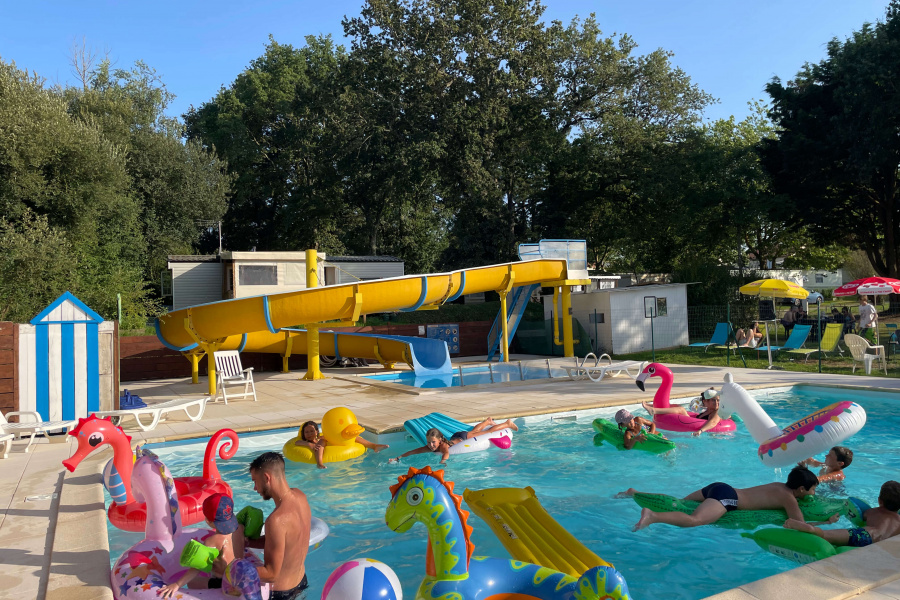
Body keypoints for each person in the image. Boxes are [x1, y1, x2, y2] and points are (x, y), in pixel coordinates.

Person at [215, 452, 311, 600]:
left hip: (282, 594)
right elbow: (287, 540)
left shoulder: (276, 520)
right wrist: (249, 542)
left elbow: (272, 574)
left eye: (255, 481)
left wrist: (230, 571)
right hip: (302, 582)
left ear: (267, 478)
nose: (255, 488)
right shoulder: (301, 496)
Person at [626, 465, 837, 531]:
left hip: (719, 486)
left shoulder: (778, 485)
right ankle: (652, 516)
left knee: (680, 503)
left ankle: (634, 493)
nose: (813, 495)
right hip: (728, 498)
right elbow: (797, 524)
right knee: (694, 521)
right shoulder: (789, 498)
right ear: (800, 489)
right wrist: (825, 522)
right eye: (812, 490)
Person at [160, 493, 245, 598]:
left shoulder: (212, 542)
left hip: (223, 584)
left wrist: (177, 584)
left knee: (192, 582)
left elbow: (197, 568)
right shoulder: (239, 529)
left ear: (207, 521)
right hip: (240, 579)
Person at [785, 481, 900, 548]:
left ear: (880, 500)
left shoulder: (872, 512)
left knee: (825, 535)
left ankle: (811, 529)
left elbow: (859, 518)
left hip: (866, 535)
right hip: (886, 541)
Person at [388, 417, 519, 464]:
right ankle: (487, 421)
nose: (431, 445)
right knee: (474, 431)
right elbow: (413, 451)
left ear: (439, 440)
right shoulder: (430, 447)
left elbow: (446, 453)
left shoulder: (443, 446)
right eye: (429, 442)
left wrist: (442, 462)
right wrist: (397, 458)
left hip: (462, 438)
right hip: (457, 436)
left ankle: (507, 423)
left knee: (487, 432)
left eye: (433, 442)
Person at [294, 420, 388, 469]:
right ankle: (319, 463)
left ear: (317, 431)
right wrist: (310, 445)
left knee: (351, 438)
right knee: (322, 442)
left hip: (336, 450)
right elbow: (297, 442)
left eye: (312, 431)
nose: (309, 434)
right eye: (306, 432)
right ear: (303, 433)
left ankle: (374, 446)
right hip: (322, 452)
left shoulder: (321, 437)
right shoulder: (307, 441)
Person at [642, 387, 722, 435]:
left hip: (695, 426)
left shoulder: (717, 412)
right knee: (678, 407)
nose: (717, 403)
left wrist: (701, 431)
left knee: (681, 409)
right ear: (705, 402)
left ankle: (654, 411)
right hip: (692, 421)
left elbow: (713, 422)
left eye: (718, 400)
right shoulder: (707, 410)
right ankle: (653, 406)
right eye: (713, 400)